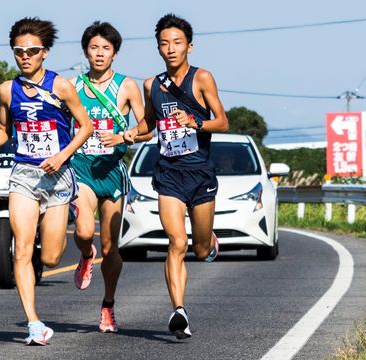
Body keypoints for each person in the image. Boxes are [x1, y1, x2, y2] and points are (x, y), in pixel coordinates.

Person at [0, 17, 92, 346]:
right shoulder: (6, 90)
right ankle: (34, 324)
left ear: (45, 53)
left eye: (32, 51)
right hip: (24, 176)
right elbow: (3, 130)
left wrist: (61, 155)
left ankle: (73, 228)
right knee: (22, 250)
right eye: (19, 51)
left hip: (57, 175)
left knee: (51, 257)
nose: (25, 56)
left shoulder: (62, 87)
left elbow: (85, 127)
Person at [124, 13, 229, 340]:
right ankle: (179, 311)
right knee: (176, 243)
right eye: (164, 43)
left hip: (199, 172)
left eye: (177, 43)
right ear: (158, 48)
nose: (171, 49)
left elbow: (223, 122)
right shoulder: (151, 85)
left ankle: (208, 238)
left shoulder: (202, 79)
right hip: (168, 173)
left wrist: (194, 123)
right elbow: (150, 124)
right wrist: (132, 134)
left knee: (198, 249)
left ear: (189, 46)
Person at [69, 21, 152, 333]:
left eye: (105, 48)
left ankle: (108, 305)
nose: (99, 53)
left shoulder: (127, 86)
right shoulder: (73, 86)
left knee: (110, 248)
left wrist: (124, 136)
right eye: (94, 48)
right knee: (82, 229)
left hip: (113, 172)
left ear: (115, 53)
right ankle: (84, 253)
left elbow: (146, 128)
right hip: (82, 168)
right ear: (86, 51)